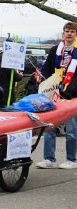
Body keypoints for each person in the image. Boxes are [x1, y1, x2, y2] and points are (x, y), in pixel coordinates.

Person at [37, 22, 77, 170]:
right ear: (63, 33)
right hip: (54, 94)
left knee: (71, 129)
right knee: (49, 127)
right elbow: (46, 69)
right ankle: (49, 159)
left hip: (71, 95)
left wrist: (70, 89)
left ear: (76, 34)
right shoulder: (55, 50)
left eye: (72, 31)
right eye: (67, 31)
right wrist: (48, 83)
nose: (69, 33)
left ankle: (71, 159)